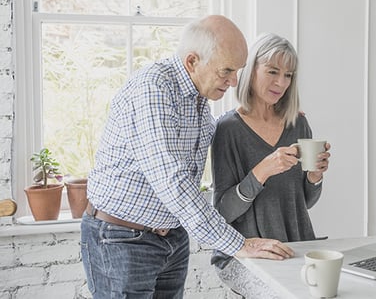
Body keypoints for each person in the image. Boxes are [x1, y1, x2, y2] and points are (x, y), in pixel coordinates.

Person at [80, 16, 294, 299]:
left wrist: (267, 117)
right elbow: (173, 180)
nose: (233, 82)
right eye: (226, 71)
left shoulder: (198, 99)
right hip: (123, 239)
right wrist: (238, 244)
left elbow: (204, 139)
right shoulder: (154, 89)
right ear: (192, 61)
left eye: (237, 71)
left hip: (171, 238)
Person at [211, 33, 331, 297]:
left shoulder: (297, 124)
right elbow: (223, 212)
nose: (281, 82)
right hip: (246, 255)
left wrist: (314, 176)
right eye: (273, 71)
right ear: (251, 69)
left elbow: (304, 202)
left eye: (289, 75)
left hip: (296, 246)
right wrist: (261, 171)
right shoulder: (228, 129)